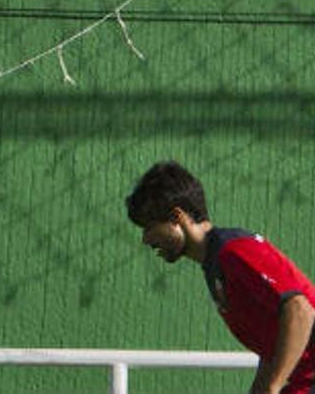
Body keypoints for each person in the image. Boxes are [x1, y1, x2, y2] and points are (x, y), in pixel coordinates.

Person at [126, 161, 315, 394]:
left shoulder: (234, 251)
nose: (146, 239)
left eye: (150, 227)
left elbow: (300, 310)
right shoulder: (215, 265)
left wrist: (272, 387)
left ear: (177, 217)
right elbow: (273, 342)